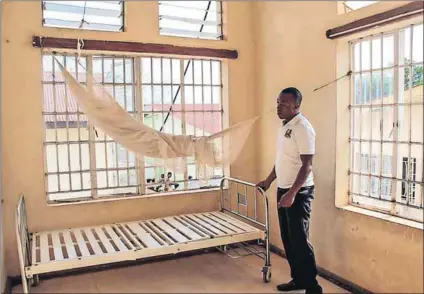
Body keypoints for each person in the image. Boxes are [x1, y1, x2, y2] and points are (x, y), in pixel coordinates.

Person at [257, 87, 322, 294]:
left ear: (296, 106)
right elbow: (282, 160)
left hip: (299, 192)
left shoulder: (303, 128)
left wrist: (292, 193)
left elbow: (307, 166)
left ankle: (313, 287)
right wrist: (268, 181)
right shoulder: (284, 126)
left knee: (300, 240)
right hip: (284, 190)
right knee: (288, 239)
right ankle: (298, 279)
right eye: (278, 102)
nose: (279, 107)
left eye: (284, 104)